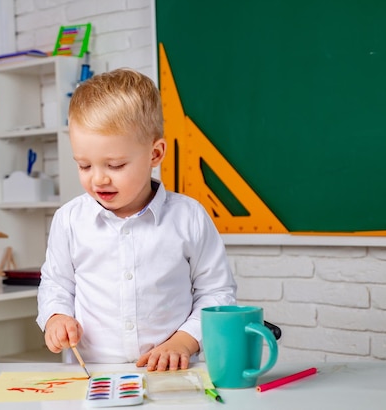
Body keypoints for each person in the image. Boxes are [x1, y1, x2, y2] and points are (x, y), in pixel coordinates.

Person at [36, 68, 237, 371]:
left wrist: (184, 341)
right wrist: (56, 317)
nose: (98, 178)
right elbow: (56, 285)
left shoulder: (189, 217)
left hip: (172, 373)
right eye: (84, 165)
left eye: (115, 165)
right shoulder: (69, 221)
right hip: (92, 373)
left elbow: (216, 292)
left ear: (155, 154)